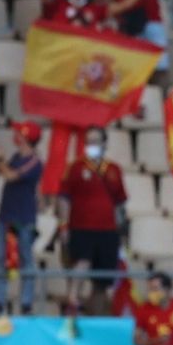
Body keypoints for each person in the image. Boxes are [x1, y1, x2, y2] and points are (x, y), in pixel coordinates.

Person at [57, 127, 127, 316]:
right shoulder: (75, 167)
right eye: (88, 142)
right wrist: (63, 226)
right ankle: (72, 302)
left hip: (108, 231)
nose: (91, 145)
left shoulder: (114, 170)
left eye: (95, 141)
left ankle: (95, 316)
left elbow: (120, 204)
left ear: (105, 143)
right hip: (81, 227)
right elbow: (64, 198)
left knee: (102, 281)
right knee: (82, 263)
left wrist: (122, 232)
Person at [0, 123, 43, 317]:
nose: (15, 135)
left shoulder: (34, 161)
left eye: (19, 132)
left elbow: (10, 175)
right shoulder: (15, 157)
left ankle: (26, 304)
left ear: (26, 136)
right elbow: (3, 171)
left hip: (24, 219)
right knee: (0, 260)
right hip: (5, 217)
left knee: (26, 261)